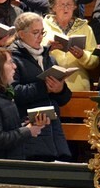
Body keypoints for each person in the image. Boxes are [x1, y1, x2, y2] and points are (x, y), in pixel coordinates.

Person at [11, 12, 72, 161]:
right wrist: (44, 88)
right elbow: (13, 92)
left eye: (42, 32)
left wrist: (60, 89)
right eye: (35, 32)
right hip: (29, 128)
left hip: (54, 129)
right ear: (21, 34)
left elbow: (64, 98)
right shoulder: (12, 59)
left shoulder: (49, 59)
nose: (40, 37)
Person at [43, 0, 100, 92]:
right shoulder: (42, 26)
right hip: (50, 86)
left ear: (75, 6)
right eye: (61, 5)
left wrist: (82, 56)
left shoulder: (86, 28)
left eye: (69, 4)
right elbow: (32, 56)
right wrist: (47, 48)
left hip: (79, 88)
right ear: (53, 7)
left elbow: (94, 61)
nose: (66, 8)